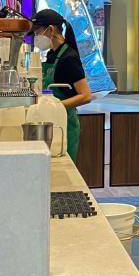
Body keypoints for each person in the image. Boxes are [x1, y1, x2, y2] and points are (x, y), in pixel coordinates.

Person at [31, 9, 92, 162]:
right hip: (51, 120)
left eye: (37, 32)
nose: (36, 38)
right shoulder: (52, 54)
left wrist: (54, 107)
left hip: (65, 123)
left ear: (50, 30)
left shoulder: (69, 58)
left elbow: (85, 96)